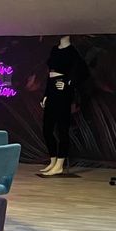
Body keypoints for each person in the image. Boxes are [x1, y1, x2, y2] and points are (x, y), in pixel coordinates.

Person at [39, 36, 89, 176]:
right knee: (47, 129)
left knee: (62, 129)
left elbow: (83, 72)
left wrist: (68, 83)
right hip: (52, 88)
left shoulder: (73, 52)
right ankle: (53, 160)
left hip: (63, 92)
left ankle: (60, 164)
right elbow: (50, 75)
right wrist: (45, 95)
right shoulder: (54, 49)